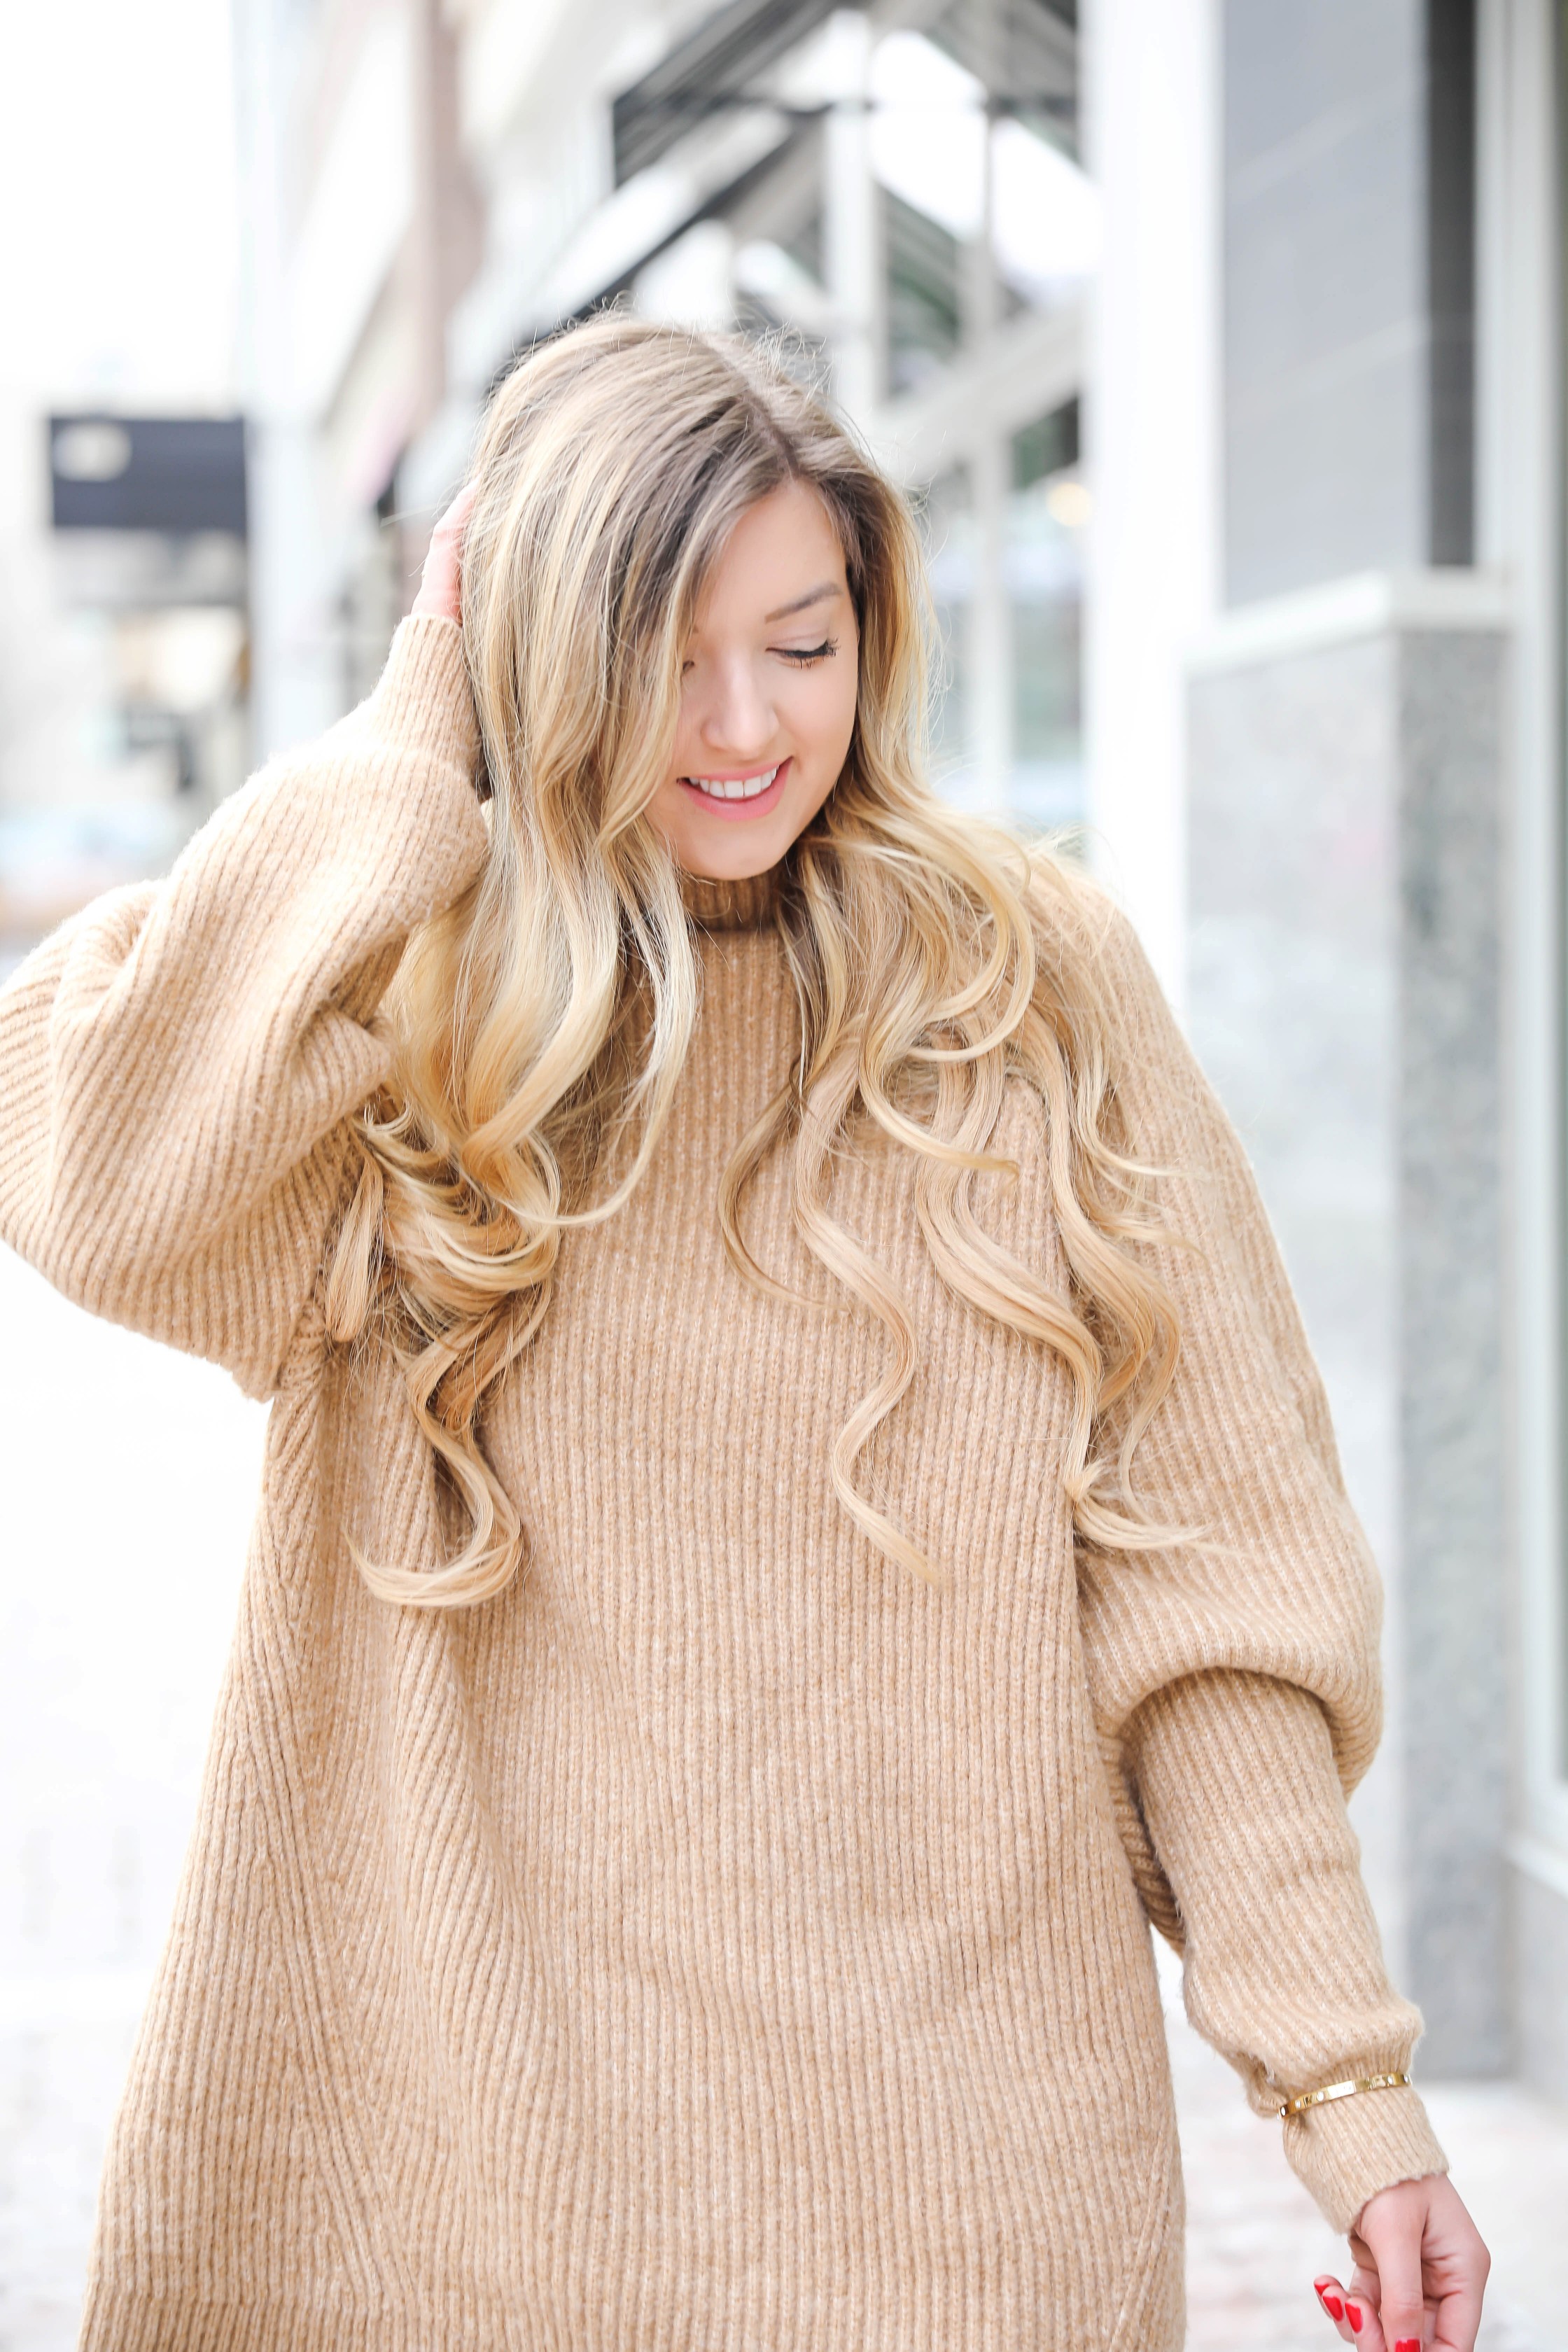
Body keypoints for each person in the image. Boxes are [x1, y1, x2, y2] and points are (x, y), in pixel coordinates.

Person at [0, 317, 1488, 2352]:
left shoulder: (1023, 985)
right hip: (463, 2196)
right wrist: (412, 729)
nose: (741, 723)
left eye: (804, 639)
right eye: (661, 651)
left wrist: (1345, 2085)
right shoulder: (409, 1002)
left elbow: (1207, 1571)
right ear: (531, 648)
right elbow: (101, 1176)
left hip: (966, 2194)